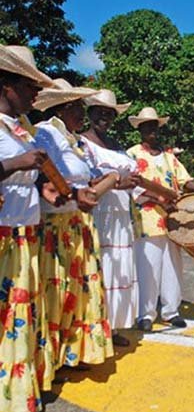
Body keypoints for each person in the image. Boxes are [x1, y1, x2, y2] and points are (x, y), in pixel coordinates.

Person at [34, 79, 113, 371]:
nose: (83, 114)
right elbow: (44, 175)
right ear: (65, 107)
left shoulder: (73, 140)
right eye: (79, 108)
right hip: (57, 224)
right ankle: (52, 358)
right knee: (58, 291)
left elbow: (83, 175)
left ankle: (72, 351)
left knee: (78, 291)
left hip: (79, 223)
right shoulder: (45, 133)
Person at [0, 44, 54, 412]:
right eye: (28, 85)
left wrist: (42, 188)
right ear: (6, 86)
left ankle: (17, 398)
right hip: (3, 235)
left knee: (19, 316)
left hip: (25, 232)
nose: (36, 94)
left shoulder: (20, 130)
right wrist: (18, 162)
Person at [127, 107, 194, 332]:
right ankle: (146, 313)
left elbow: (185, 181)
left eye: (155, 127)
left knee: (172, 266)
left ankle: (171, 310)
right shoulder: (133, 154)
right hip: (148, 218)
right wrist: (158, 201)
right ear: (140, 129)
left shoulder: (169, 157)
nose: (152, 131)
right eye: (147, 127)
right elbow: (133, 187)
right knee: (148, 268)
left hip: (174, 219)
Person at [81, 89, 140, 347]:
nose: (104, 118)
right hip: (98, 213)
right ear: (90, 113)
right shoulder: (82, 143)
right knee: (100, 268)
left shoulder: (118, 147)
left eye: (109, 114)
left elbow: (134, 179)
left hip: (120, 217)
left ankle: (114, 326)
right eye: (100, 112)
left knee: (119, 269)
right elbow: (89, 180)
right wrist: (117, 181)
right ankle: (95, 325)